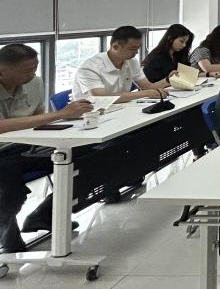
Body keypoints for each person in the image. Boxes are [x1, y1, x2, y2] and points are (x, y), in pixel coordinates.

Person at [0, 44, 93, 252]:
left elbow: (39, 118)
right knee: (8, 182)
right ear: (2, 71)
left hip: (29, 145)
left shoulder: (35, 83)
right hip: (3, 152)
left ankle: (44, 214)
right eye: (26, 70)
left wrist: (68, 122)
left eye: (35, 67)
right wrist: (60, 114)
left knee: (87, 155)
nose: (32, 74)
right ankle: (7, 236)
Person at [73, 26, 171, 102]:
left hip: (120, 109)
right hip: (89, 115)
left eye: (138, 48)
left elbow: (146, 86)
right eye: (133, 49)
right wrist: (146, 93)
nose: (136, 52)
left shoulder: (131, 62)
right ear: (115, 46)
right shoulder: (89, 68)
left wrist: (168, 80)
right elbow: (102, 98)